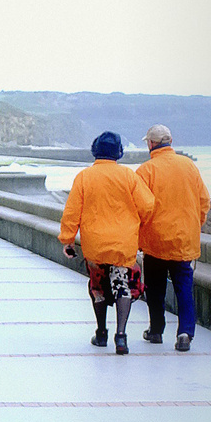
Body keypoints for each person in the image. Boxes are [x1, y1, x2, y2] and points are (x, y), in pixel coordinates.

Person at [58, 131, 154, 354]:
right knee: (122, 285)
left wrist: (68, 240)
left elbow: (72, 212)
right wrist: (137, 225)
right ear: (118, 152)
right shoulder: (129, 176)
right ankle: (121, 336)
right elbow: (147, 206)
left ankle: (101, 333)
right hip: (123, 244)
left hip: (95, 245)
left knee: (98, 288)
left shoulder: (84, 177)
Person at [136, 124, 211, 352]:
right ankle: (185, 332)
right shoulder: (189, 166)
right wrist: (193, 226)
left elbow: (139, 207)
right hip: (183, 242)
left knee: (155, 289)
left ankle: (156, 330)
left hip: (155, 241)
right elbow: (204, 202)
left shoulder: (146, 171)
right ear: (171, 141)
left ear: (151, 143)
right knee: (184, 289)